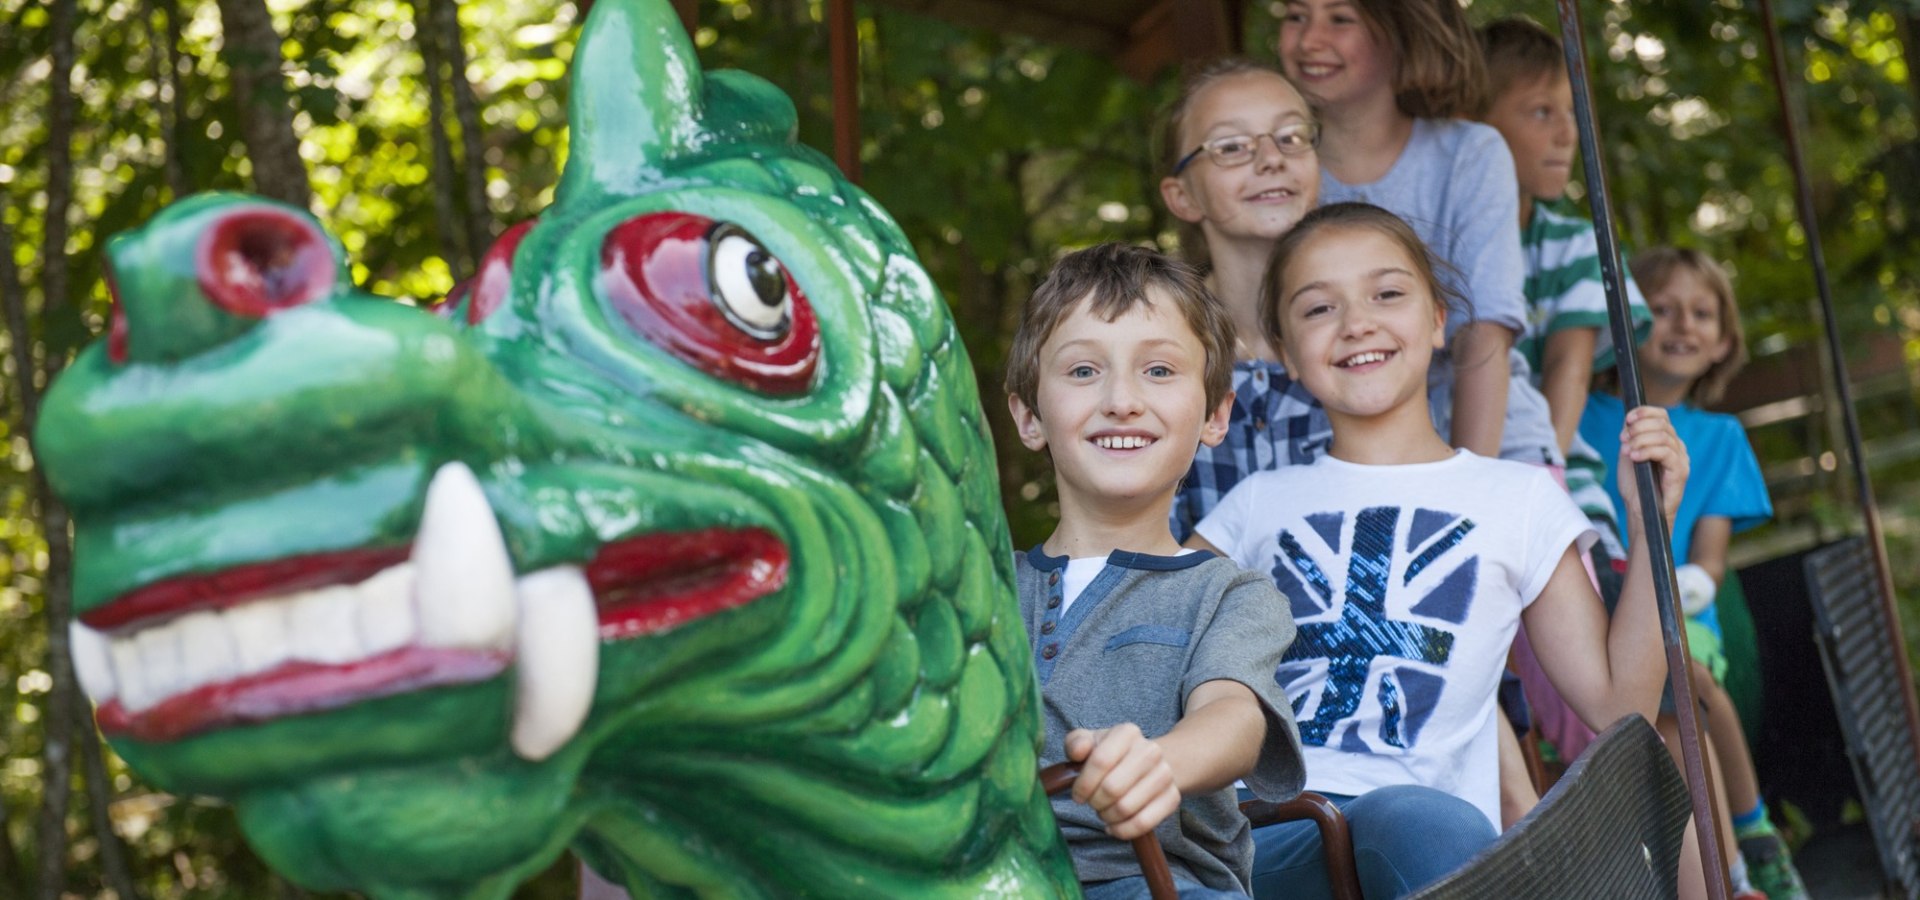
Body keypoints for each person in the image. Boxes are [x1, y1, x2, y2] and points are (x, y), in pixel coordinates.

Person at [1193, 203, 1687, 900]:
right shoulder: (1250, 506)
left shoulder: (1519, 499)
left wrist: (1649, 532)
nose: (1357, 322)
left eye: (1387, 293)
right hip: (1271, 831)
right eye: (1317, 309)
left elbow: (1619, 704)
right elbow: (1160, 651)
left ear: (1436, 321)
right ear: (1281, 347)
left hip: (1428, 842)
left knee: (1420, 820)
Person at [1006, 243, 1306, 898]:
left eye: (1160, 371)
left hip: (1148, 881)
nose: (1122, 400)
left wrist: (1162, 760)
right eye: (1083, 371)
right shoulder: (982, 586)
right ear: (1029, 416)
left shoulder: (1228, 593)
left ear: (1215, 415)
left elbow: (1233, 717)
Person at [1580, 247, 1810, 900]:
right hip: (1595, 609)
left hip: (1682, 611)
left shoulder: (1722, 436)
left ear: (1724, 342)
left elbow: (1708, 561)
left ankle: (1753, 841)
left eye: (1702, 314)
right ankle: (1722, 872)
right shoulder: (1580, 420)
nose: (1683, 325)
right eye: (1663, 309)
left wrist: (1662, 598)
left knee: (1688, 679)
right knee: (1667, 723)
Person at [1157, 59, 1330, 542]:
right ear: (1183, 196)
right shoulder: (1157, 347)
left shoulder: (1362, 334)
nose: (1271, 158)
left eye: (1291, 137)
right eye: (1231, 147)